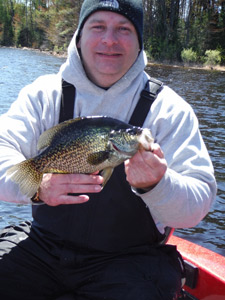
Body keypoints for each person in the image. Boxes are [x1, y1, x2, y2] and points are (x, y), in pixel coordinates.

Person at [0, 0, 216, 299]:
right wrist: (37, 185)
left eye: (124, 29)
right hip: (43, 248)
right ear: (79, 35)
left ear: (139, 41)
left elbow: (196, 208)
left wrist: (158, 185)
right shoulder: (43, 94)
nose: (109, 40)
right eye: (98, 26)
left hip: (129, 262)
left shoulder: (170, 111)